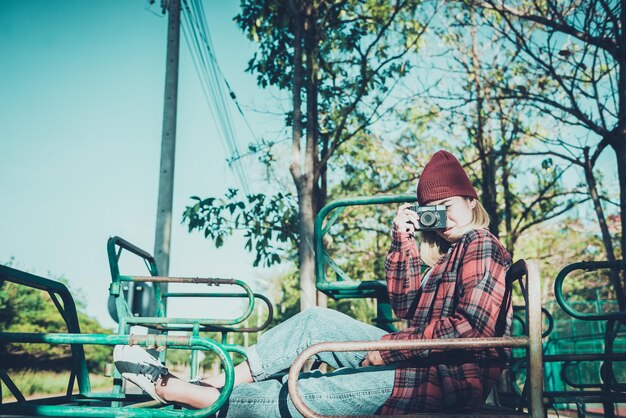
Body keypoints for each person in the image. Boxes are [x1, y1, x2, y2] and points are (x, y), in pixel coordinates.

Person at [114, 150, 512, 416]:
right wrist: (403, 242)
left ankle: (176, 389)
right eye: (432, 212)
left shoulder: (480, 243)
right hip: (418, 365)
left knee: (312, 392)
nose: (443, 218)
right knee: (315, 322)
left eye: (448, 206)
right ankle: (212, 382)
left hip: (448, 380)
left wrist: (385, 351)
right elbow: (405, 306)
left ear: (471, 201)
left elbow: (469, 330)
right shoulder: (443, 258)